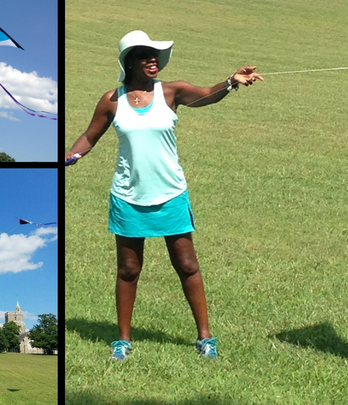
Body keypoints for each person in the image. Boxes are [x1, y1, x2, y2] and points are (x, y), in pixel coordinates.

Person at [65, 30, 263, 361]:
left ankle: (205, 338)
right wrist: (72, 155)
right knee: (128, 269)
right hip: (128, 195)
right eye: (144, 54)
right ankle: (123, 340)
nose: (152, 59)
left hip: (171, 193)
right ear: (129, 61)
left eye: (155, 54)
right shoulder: (111, 100)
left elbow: (207, 95)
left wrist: (231, 81)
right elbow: (89, 135)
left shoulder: (172, 92)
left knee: (187, 264)